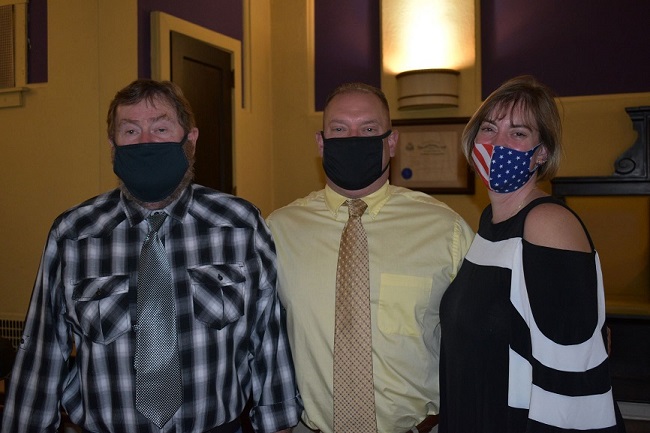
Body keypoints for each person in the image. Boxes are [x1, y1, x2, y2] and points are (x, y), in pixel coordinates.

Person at [1, 79, 301, 433]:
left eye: (160, 128)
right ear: (112, 146)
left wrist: (277, 422)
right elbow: (43, 348)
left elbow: (268, 336)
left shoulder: (240, 224)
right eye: (130, 130)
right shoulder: (74, 234)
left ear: (190, 140)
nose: (146, 142)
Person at [266, 82, 474, 433]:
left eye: (368, 129)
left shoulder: (446, 230)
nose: (352, 139)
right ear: (321, 143)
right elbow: (258, 337)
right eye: (339, 129)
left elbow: (478, 342)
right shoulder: (278, 230)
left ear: (391, 142)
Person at [438, 75, 626, 432]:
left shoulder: (546, 223)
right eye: (489, 128)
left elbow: (571, 375)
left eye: (519, 133)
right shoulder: (491, 221)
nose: (497, 143)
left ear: (541, 153)